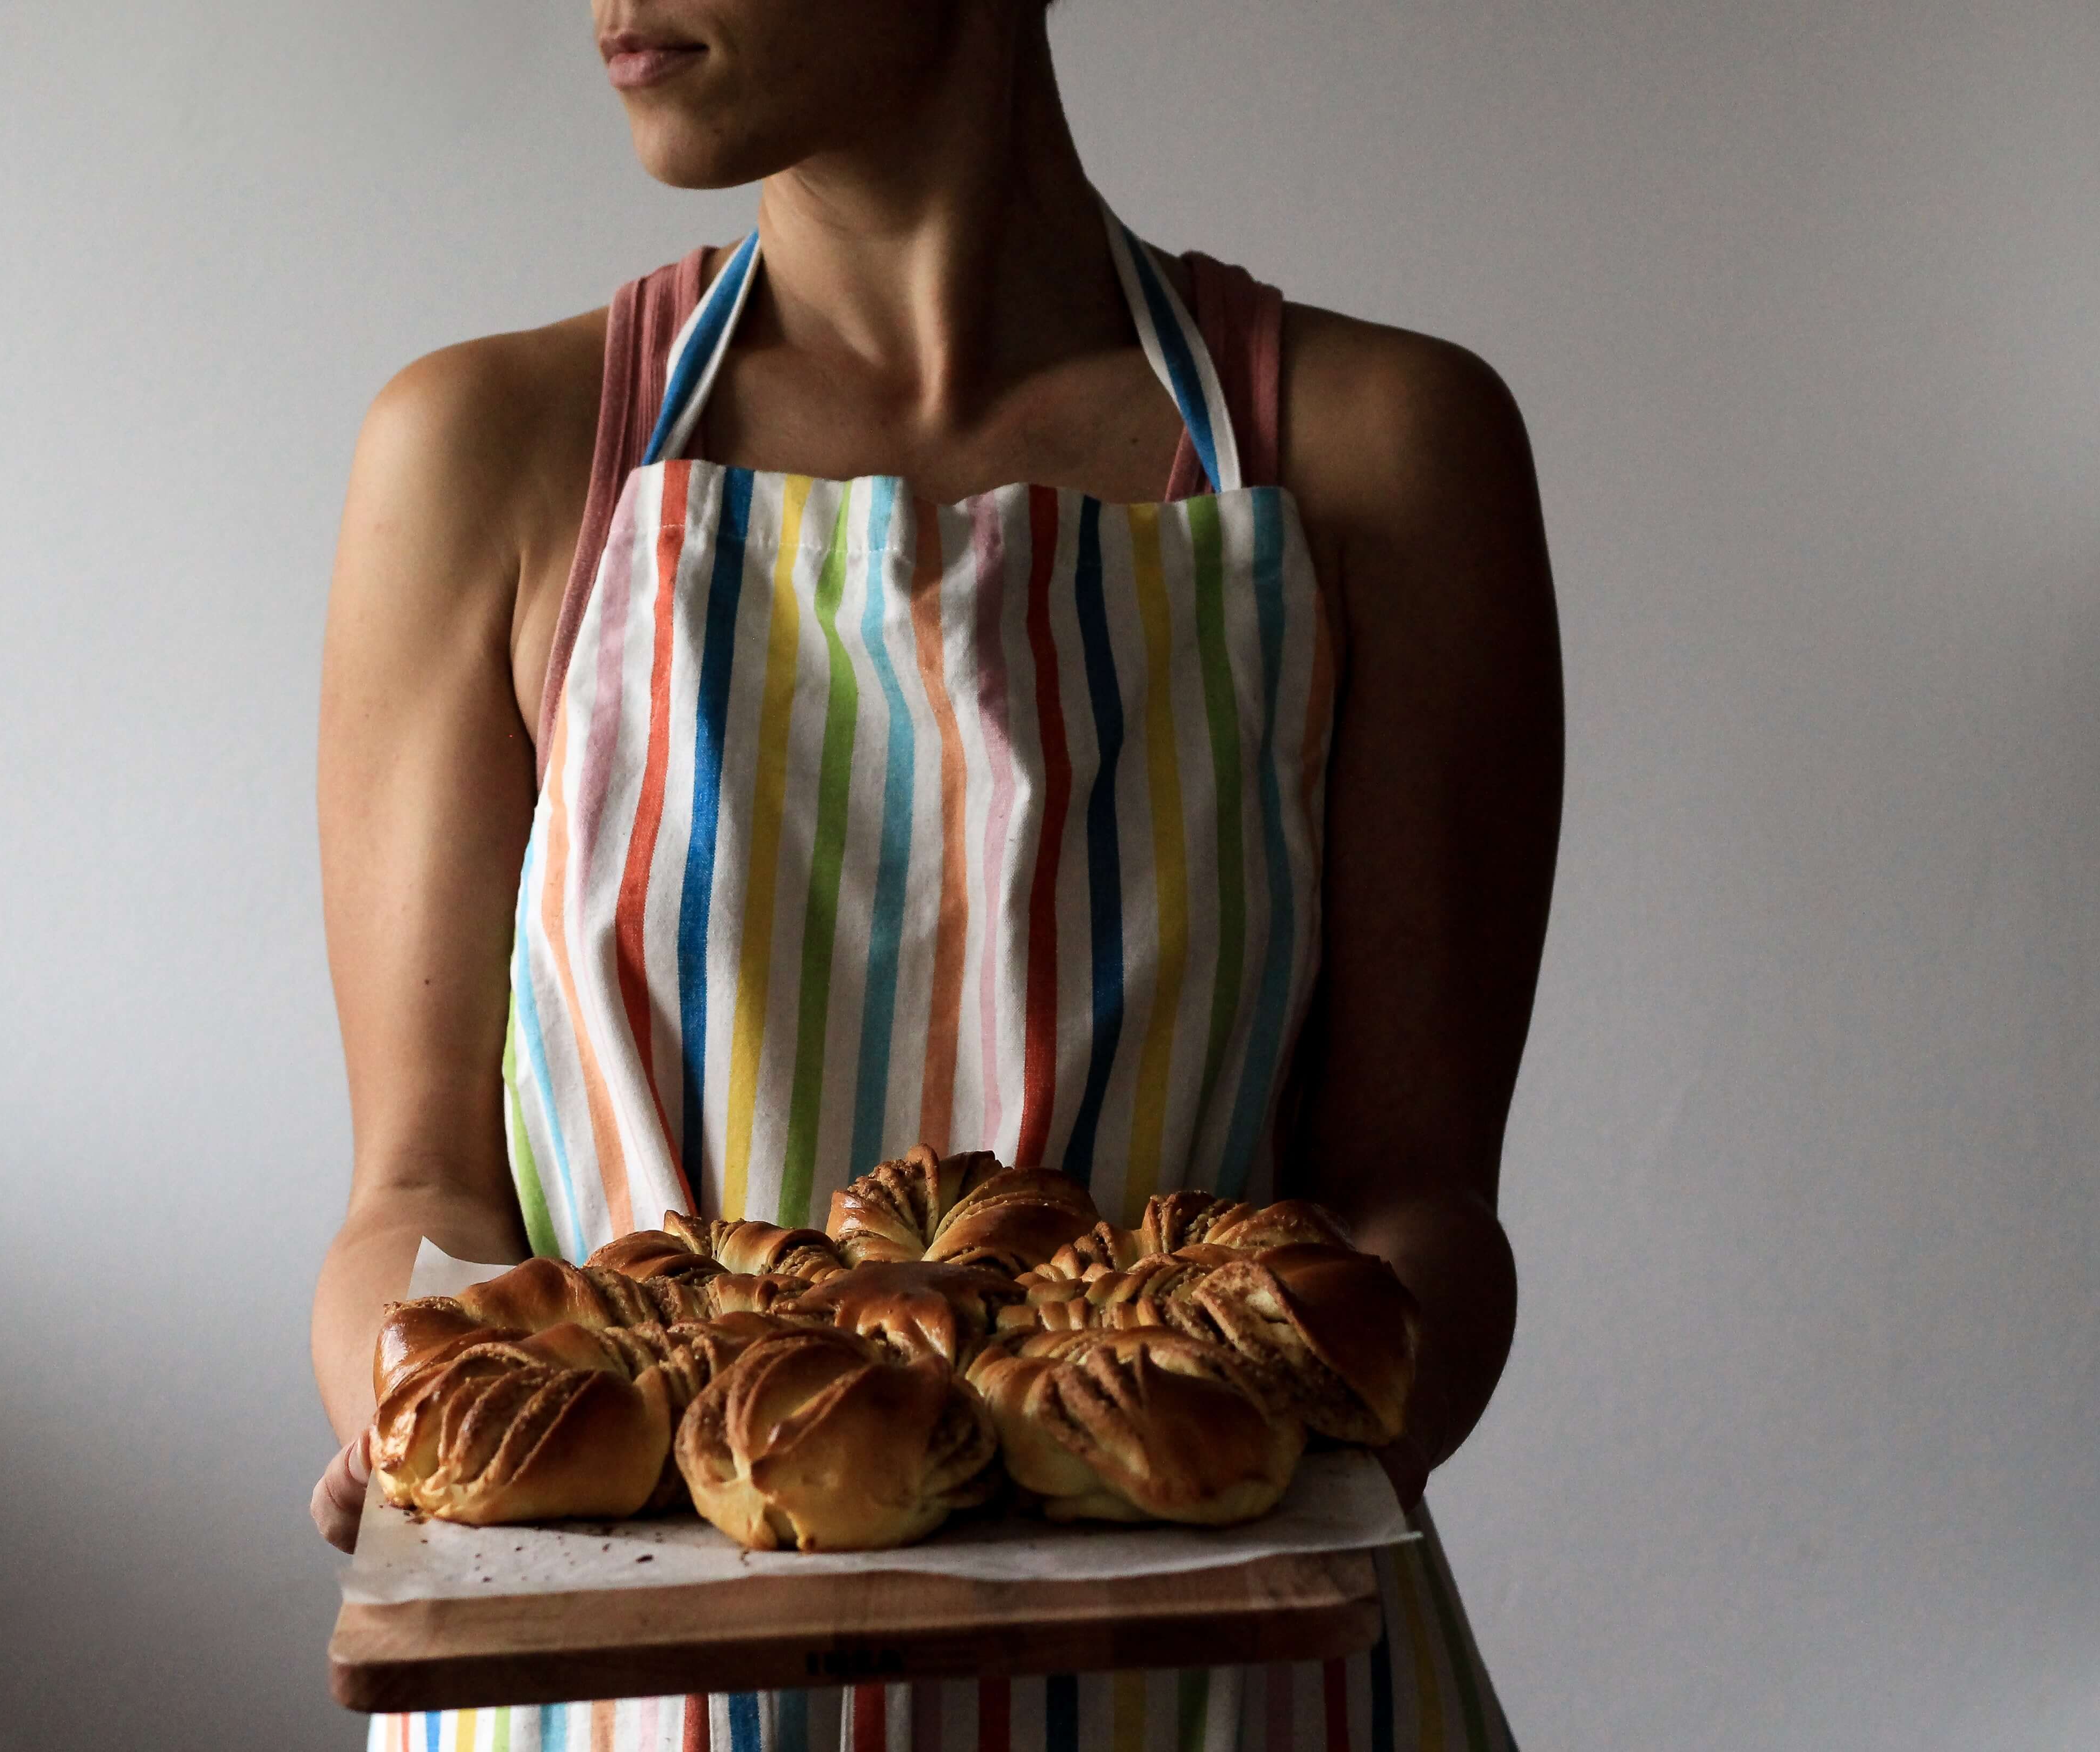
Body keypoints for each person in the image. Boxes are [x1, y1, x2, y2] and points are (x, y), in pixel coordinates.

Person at [309, 1, 1559, 1747]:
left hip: (1225, 1705)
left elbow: (1423, 1210)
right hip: (617, 1704)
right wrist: (415, 1398)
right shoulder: (486, 453)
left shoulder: (1383, 453)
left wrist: (1202, 1470)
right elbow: (419, 1193)